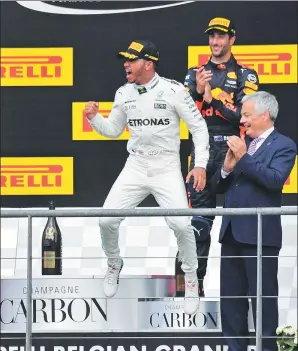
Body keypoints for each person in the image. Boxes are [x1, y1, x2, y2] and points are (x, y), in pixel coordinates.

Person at [84, 40, 210, 315]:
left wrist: (200, 165)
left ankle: (191, 277)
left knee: (180, 225)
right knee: (106, 219)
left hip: (166, 166)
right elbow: (114, 130)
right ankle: (114, 263)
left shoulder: (174, 90)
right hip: (137, 164)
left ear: (149, 63)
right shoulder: (123, 93)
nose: (126, 64)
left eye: (132, 59)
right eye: (125, 60)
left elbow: (199, 128)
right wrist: (95, 119)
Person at [211, 91, 297, 351]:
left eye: (247, 115)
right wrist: (226, 168)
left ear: (265, 115)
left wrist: (244, 157)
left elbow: (274, 180)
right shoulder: (241, 144)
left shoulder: (284, 145)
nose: (243, 120)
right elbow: (217, 187)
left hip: (261, 235)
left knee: (263, 301)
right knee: (231, 302)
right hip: (231, 234)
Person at [182, 17, 260, 296]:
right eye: (211, 36)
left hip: (233, 150)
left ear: (232, 39)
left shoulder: (246, 75)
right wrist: (203, 95)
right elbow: (189, 115)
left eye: (221, 36)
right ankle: (190, 289)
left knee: (238, 223)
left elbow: (242, 116)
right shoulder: (194, 74)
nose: (215, 41)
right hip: (202, 152)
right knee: (198, 224)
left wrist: (210, 97)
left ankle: (243, 293)